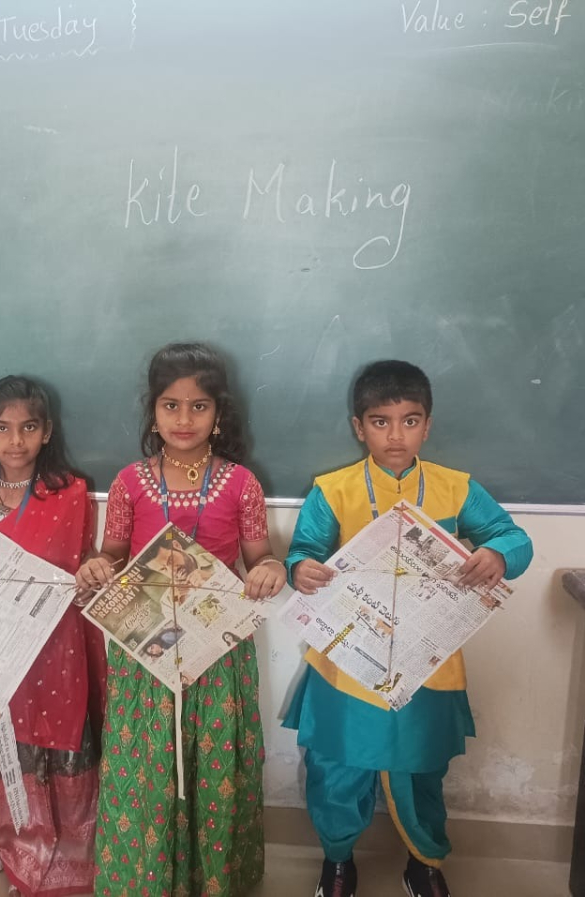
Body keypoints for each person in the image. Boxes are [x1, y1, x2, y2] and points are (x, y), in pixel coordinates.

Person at [283, 360, 534, 897]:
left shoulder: (455, 487)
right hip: (347, 663)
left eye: (410, 421)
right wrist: (300, 569)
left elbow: (513, 537)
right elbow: (303, 552)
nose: (395, 435)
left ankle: (424, 862)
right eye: (380, 422)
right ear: (359, 427)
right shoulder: (334, 490)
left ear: (428, 425)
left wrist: (497, 554)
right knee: (337, 768)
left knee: (423, 769)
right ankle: (337, 861)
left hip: (428, 662)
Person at [76, 342, 286, 897]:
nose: (184, 418)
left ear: (219, 413)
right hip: (144, 645)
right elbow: (113, 554)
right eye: (171, 405)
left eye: (199, 406)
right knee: (149, 762)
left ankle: (212, 879)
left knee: (213, 763)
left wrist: (271, 570)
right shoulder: (129, 482)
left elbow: (259, 556)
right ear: (153, 411)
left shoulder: (240, 483)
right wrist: (97, 566)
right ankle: (147, 879)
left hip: (216, 647)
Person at [0, 375, 102, 897]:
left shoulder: (71, 493)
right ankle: (7, 842)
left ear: (47, 431)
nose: (16, 440)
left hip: (55, 642)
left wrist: (89, 577)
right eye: (2, 428)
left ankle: (66, 844)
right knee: (1, 742)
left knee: (53, 737)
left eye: (28, 428)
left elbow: (84, 564)